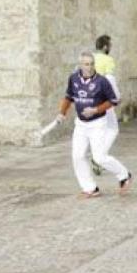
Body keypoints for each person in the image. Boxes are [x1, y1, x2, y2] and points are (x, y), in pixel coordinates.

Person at [57, 51, 131, 198]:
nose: (89, 67)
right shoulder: (73, 79)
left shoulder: (102, 81)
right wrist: (62, 113)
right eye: (86, 64)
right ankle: (90, 188)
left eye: (91, 64)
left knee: (99, 157)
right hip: (81, 124)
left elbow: (113, 101)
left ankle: (124, 175)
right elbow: (68, 97)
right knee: (77, 156)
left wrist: (96, 110)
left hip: (98, 123)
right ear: (80, 65)